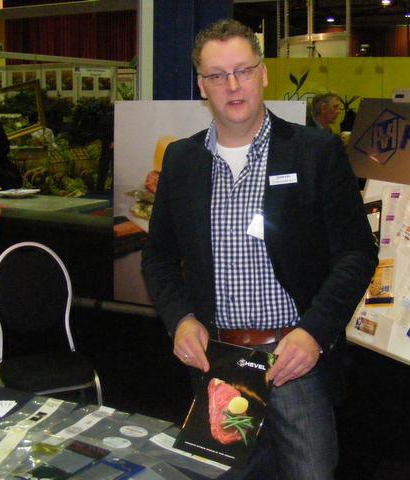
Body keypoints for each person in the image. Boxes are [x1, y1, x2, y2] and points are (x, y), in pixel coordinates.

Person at [142, 19, 378, 480]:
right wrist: (180, 319)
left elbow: (355, 253)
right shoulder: (183, 160)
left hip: (294, 362)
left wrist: (314, 333)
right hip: (219, 363)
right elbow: (159, 256)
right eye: (217, 75)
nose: (232, 85)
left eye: (243, 70)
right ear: (201, 86)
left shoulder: (314, 151)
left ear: (263, 74)